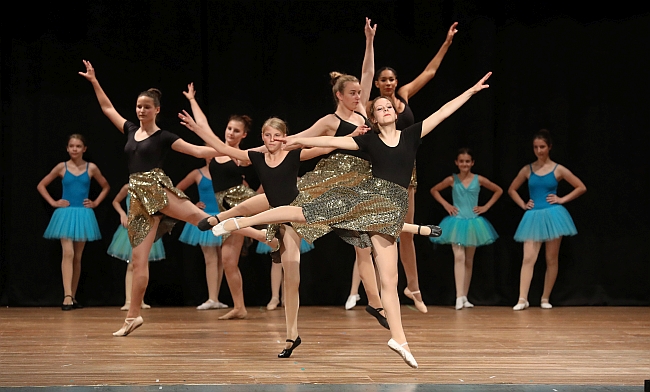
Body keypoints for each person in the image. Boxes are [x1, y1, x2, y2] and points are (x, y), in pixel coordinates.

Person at [195, 72, 492, 368]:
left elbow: (442, 112)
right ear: (373, 118)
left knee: (390, 279)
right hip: (365, 198)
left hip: (391, 209)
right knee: (301, 212)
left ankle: (399, 339)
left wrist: (470, 91)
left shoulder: (411, 134)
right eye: (380, 108)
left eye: (389, 106)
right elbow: (329, 142)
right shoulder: (369, 142)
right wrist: (297, 139)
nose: (387, 108)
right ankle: (237, 223)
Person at [79, 59, 232, 336]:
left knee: (203, 219)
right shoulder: (128, 130)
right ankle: (132, 317)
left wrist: (227, 150)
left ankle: (252, 228)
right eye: (138, 106)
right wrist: (94, 81)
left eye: (146, 107)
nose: (141, 110)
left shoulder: (164, 136)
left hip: (157, 189)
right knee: (139, 261)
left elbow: (198, 152)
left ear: (157, 110)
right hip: (137, 197)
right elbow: (107, 108)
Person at [181, 114, 334, 358]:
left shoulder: (294, 153)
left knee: (291, 276)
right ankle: (223, 219)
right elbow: (221, 147)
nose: (272, 139)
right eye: (267, 135)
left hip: (293, 214)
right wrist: (198, 128)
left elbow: (325, 145)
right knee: (249, 204)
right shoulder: (256, 156)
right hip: (272, 208)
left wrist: (352, 134)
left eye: (276, 135)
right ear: (262, 137)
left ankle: (292, 334)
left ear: (284, 136)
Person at [350, 21, 459, 313]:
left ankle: (413, 287)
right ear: (377, 85)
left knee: (405, 231)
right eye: (383, 80)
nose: (387, 83)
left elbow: (431, 72)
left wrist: (447, 42)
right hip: (380, 171)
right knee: (378, 232)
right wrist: (369, 41)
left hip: (407, 171)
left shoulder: (404, 97)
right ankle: (373, 294)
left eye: (391, 79)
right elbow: (365, 73)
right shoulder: (371, 106)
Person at [182, 84, 279, 320]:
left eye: (236, 131)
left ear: (244, 135)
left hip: (240, 206)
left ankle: (266, 237)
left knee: (231, 236)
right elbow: (204, 126)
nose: (231, 133)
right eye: (229, 129)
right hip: (224, 210)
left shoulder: (240, 157)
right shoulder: (215, 150)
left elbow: (265, 149)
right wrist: (193, 100)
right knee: (228, 261)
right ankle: (239, 307)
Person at [508, 129, 586, 310]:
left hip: (553, 215)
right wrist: (523, 204)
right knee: (528, 258)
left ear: (549, 147)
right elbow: (512, 189)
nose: (539, 150)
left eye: (542, 147)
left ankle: (545, 298)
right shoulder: (528, 169)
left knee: (551, 258)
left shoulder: (558, 169)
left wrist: (562, 199)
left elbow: (580, 187)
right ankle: (522, 299)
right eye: (535, 147)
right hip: (533, 216)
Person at [37, 134, 110, 310]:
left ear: (84, 149)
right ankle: (67, 297)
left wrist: (95, 202)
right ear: (67, 148)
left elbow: (106, 186)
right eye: (71, 146)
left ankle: (73, 296)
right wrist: (54, 202)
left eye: (78, 146)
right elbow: (41, 185)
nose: (75, 149)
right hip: (66, 215)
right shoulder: (61, 168)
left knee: (77, 257)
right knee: (68, 253)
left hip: (83, 215)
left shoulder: (91, 168)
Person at [429, 148, 502, 310]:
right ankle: (458, 297)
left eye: (467, 161)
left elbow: (498, 190)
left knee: (469, 260)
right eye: (461, 161)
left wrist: (486, 206)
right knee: (459, 258)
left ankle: (465, 296)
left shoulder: (479, 179)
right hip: (456, 222)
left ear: (472, 163)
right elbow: (434, 190)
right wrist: (447, 204)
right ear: (456, 162)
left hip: (474, 223)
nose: (464, 164)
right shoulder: (452, 179)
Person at [175, 160, 228, 310]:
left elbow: (241, 187)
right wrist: (192, 205)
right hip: (205, 217)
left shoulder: (224, 171)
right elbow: (177, 189)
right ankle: (211, 298)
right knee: (211, 259)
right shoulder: (197, 173)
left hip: (223, 217)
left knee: (221, 259)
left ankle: (215, 298)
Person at [107, 184, 164, 310]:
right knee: (132, 264)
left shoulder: (152, 188)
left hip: (147, 228)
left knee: (144, 265)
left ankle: (140, 300)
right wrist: (123, 214)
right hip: (132, 228)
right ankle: (128, 300)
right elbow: (116, 201)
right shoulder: (128, 187)